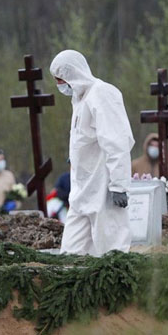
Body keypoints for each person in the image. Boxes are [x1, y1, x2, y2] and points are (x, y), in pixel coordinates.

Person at [50, 49, 135, 257]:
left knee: (112, 249)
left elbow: (117, 142)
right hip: (81, 190)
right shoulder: (79, 100)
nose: (59, 85)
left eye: (60, 79)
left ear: (71, 74)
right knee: (71, 254)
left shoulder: (102, 93)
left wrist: (119, 185)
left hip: (103, 187)